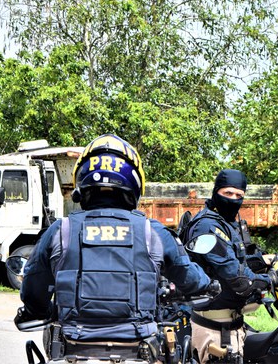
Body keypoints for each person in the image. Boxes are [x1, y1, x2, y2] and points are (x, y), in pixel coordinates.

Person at [16, 134, 218, 361]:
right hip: (140, 350)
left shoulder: (60, 231)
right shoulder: (152, 232)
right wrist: (209, 284)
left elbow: (33, 290)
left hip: (72, 348)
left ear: (81, 182)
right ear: (134, 182)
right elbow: (189, 277)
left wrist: (41, 310)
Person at [183, 169, 278, 363]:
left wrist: (265, 261)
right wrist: (271, 280)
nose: (234, 199)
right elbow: (238, 279)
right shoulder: (207, 227)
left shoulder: (226, 224)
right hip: (215, 328)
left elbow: (238, 261)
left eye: (239, 195)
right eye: (228, 193)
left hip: (231, 324)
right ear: (216, 191)